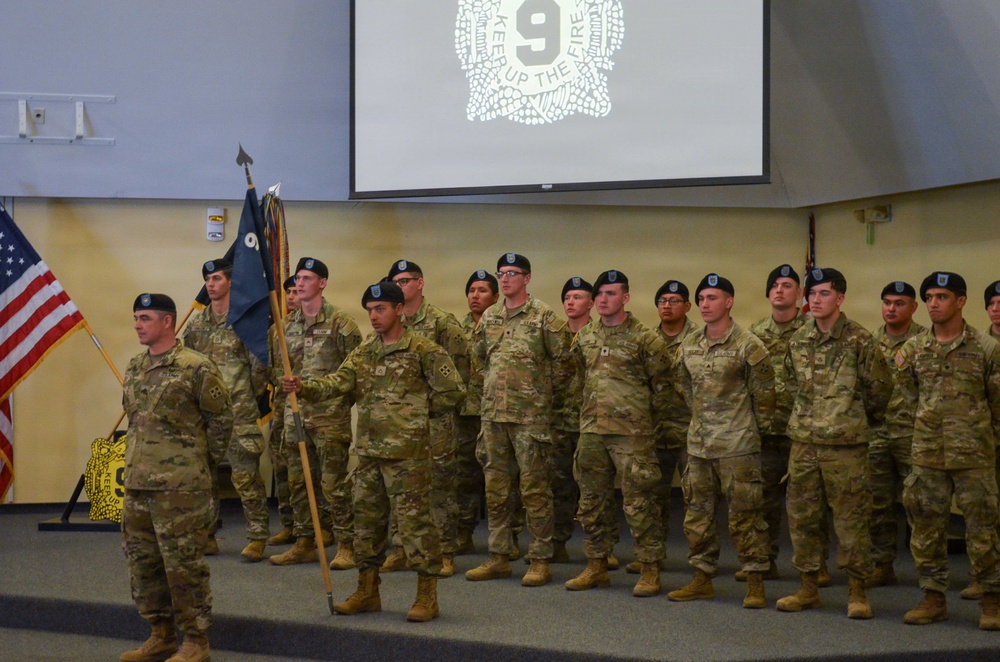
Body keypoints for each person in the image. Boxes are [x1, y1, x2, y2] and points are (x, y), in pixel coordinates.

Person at [282, 282, 464, 622]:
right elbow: (338, 382)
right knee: (366, 524)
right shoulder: (365, 351)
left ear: (399, 309)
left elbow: (453, 392)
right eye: (369, 310)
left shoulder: (423, 350)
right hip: (368, 453)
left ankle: (427, 596)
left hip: (408, 456)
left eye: (380, 309)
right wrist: (304, 386)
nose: (374, 316)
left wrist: (414, 416)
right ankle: (367, 591)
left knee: (414, 526)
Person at [121, 293, 233, 662]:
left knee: (183, 566)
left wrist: (198, 463)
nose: (138, 325)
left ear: (167, 321)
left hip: (181, 488)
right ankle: (161, 634)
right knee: (144, 565)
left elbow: (221, 421)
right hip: (138, 485)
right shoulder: (135, 367)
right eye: (136, 318)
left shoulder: (195, 367)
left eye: (145, 318)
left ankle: (196, 641)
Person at [777, 267, 891, 619]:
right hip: (804, 443)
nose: (816, 299)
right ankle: (808, 587)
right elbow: (791, 384)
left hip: (845, 445)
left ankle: (857, 591)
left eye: (824, 293)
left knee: (851, 519)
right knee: (802, 516)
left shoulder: (859, 340)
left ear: (840, 298)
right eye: (811, 293)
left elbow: (879, 390)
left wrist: (849, 419)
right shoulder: (799, 338)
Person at [896, 272, 1000, 630]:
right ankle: (933, 598)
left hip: (974, 455)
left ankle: (991, 600)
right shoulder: (913, 349)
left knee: (983, 530)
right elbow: (908, 398)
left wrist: (985, 440)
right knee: (926, 529)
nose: (933, 303)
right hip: (928, 454)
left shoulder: (986, 348)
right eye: (928, 297)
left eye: (941, 296)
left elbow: (997, 404)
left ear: (961, 301)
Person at [667, 274, 775, 609]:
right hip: (699, 446)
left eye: (712, 298)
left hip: (737, 446)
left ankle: (755, 581)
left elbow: (765, 396)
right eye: (701, 298)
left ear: (729, 302)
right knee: (697, 516)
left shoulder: (748, 345)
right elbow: (683, 385)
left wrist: (744, 428)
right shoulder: (689, 344)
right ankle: (701, 578)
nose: (705, 304)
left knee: (746, 517)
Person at [466, 253, 573, 587]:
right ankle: (499, 556)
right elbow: (478, 360)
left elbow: (564, 365)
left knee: (535, 490)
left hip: (530, 419)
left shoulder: (544, 317)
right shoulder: (490, 316)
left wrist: (538, 395)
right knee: (496, 490)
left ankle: (540, 558)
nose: (506, 278)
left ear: (527, 278)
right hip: (494, 417)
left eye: (512, 273)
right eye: (502, 273)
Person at [565, 270, 670, 596]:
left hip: (631, 434)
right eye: (599, 294)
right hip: (592, 430)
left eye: (611, 293)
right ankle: (597, 564)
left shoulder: (645, 339)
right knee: (592, 501)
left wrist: (645, 424)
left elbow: (664, 388)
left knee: (640, 503)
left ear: (625, 298)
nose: (603, 299)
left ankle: (650, 568)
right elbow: (579, 380)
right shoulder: (585, 337)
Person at [269, 258, 362, 569]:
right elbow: (276, 370)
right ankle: (306, 541)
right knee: (297, 482)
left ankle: (346, 544)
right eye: (298, 278)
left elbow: (355, 375)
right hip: (295, 417)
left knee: (333, 485)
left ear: (322, 283)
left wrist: (338, 407)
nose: (299, 283)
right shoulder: (283, 328)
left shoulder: (341, 324)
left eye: (307, 278)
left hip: (329, 418)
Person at [381, 260, 471, 578]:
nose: (399, 286)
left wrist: (430, 406)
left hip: (434, 423)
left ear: (420, 283)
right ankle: (402, 550)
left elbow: (460, 373)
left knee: (439, 488)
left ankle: (444, 551)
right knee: (400, 487)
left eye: (404, 281)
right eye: (394, 282)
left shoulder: (442, 322)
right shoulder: (390, 321)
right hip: (397, 424)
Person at [181, 258, 270, 562]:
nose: (211, 284)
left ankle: (257, 537)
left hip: (238, 411)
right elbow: (188, 367)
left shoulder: (245, 322)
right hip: (206, 415)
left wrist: (244, 396)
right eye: (207, 279)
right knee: (203, 477)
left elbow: (260, 369)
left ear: (231, 282)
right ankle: (207, 536)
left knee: (246, 477)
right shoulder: (196, 326)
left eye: (217, 278)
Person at [746, 265, 819, 583]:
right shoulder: (754, 333)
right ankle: (764, 560)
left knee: (810, 500)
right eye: (774, 285)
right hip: (765, 428)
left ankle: (816, 565)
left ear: (800, 294)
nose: (779, 290)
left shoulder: (813, 331)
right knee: (762, 499)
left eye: (787, 285)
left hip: (804, 429)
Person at [633, 279, 697, 576]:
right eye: (662, 301)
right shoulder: (646, 339)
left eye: (674, 301)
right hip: (655, 429)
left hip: (690, 430)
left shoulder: (699, 338)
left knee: (696, 499)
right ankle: (651, 556)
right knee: (651, 497)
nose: (667, 306)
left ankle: (700, 560)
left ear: (687, 306)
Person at [866, 281, 925, 588]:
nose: (891, 308)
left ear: (913, 307)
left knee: (920, 503)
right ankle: (882, 564)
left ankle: (928, 570)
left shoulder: (925, 341)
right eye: (887, 302)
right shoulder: (869, 341)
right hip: (877, 433)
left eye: (899, 303)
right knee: (877, 503)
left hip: (913, 434)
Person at [455, 270, 499, 554]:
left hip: (497, 411)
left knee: (502, 478)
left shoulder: (504, 326)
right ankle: (463, 533)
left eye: (482, 290)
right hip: (465, 412)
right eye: (471, 290)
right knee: (464, 476)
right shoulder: (456, 329)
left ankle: (506, 538)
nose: (475, 295)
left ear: (495, 297)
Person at [266, 276, 301, 546]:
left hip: (308, 409)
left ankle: (316, 527)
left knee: (307, 471)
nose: (291, 297)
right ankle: (289, 524)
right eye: (288, 292)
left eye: (296, 291)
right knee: (282, 467)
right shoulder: (277, 329)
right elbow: (270, 368)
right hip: (280, 408)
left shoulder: (329, 325)